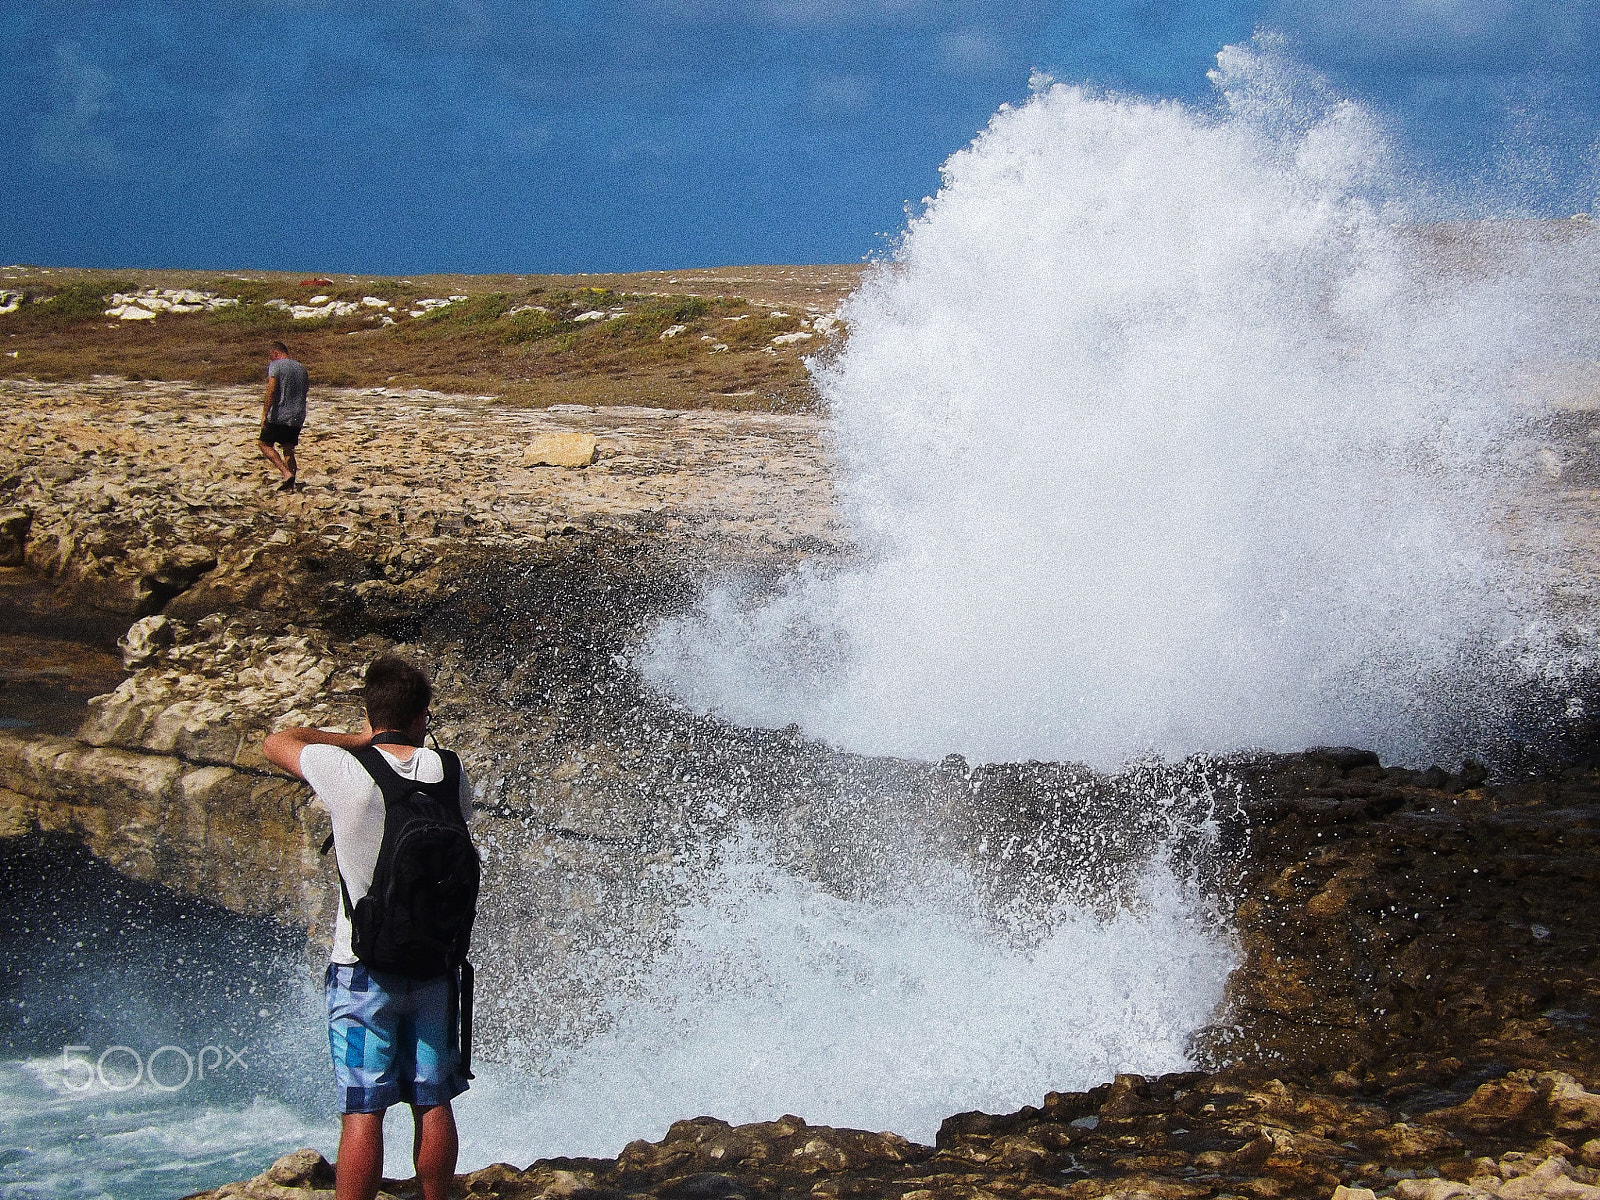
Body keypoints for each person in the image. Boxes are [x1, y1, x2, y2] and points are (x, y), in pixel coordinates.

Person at [262, 656, 473, 1200]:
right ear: (425, 715)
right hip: (434, 966)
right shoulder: (449, 771)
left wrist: (356, 739)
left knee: (364, 1108)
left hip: (362, 968)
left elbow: (278, 741)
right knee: (432, 1097)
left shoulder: (345, 772)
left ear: (369, 712)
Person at [260, 340, 309, 491]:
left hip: (280, 414)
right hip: (298, 415)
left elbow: (271, 389)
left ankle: (285, 473)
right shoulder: (301, 368)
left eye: (271, 356)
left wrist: (264, 414)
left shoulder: (276, 365)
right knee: (288, 449)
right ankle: (291, 486)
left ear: (275, 353)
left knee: (264, 444)